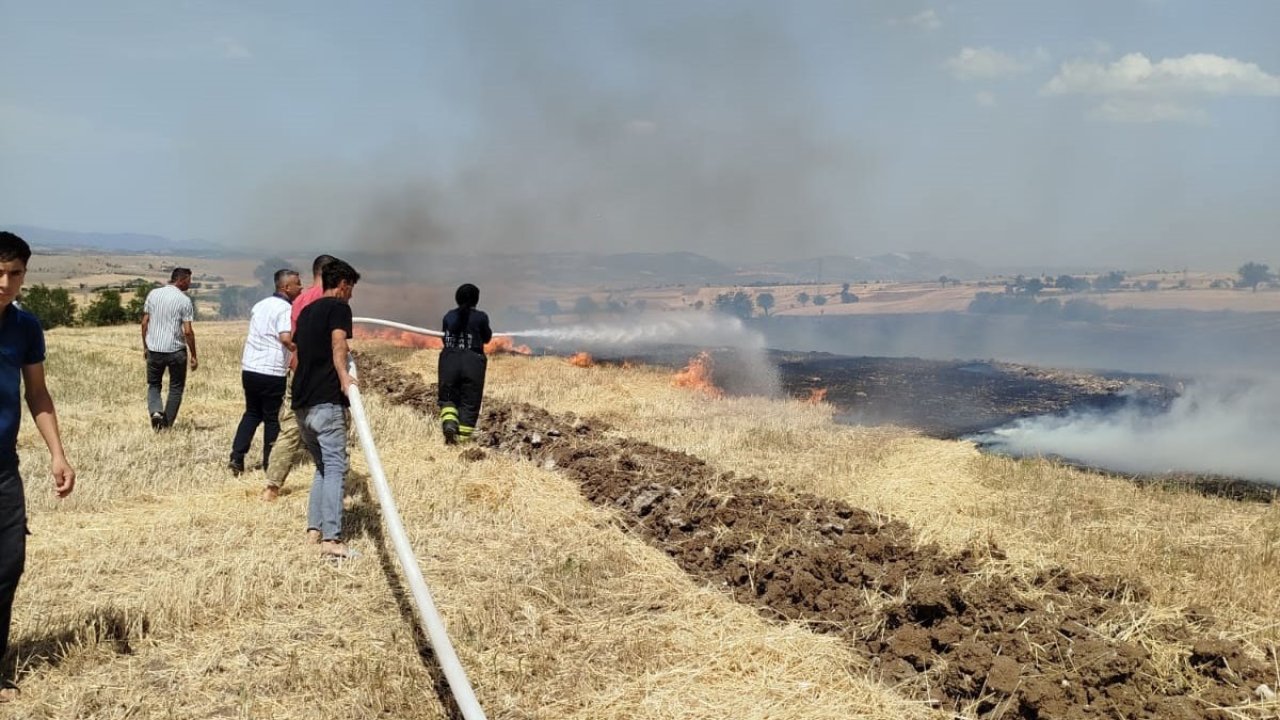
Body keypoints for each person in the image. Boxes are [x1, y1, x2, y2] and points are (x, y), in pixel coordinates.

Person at [0, 231, 75, 703]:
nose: (4, 283)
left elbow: (37, 393)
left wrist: (57, 453)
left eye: (15, 274)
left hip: (4, 466)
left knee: (8, 566)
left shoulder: (26, 327)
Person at [292, 259, 359, 558]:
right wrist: (345, 377)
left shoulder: (305, 311)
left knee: (321, 467)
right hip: (325, 400)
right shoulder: (339, 308)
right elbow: (337, 344)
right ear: (343, 284)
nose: (352, 296)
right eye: (351, 289)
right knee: (335, 468)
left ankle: (313, 530)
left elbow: (300, 352)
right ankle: (332, 540)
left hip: (302, 403)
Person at [261, 254, 337, 502]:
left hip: (298, 370)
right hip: (322, 374)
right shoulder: (330, 299)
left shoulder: (300, 300)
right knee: (333, 428)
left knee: (290, 429)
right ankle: (330, 482)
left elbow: (292, 338)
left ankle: (271, 487)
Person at [229, 269, 302, 475]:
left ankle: (237, 455)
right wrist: (300, 349)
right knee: (272, 418)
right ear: (286, 287)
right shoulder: (285, 309)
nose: (301, 287)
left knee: (252, 413)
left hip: (250, 368)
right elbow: (285, 338)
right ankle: (270, 463)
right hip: (271, 370)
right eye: (298, 283)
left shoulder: (259, 305)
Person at [140, 267, 198, 429]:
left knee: (154, 385)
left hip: (155, 349)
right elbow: (187, 331)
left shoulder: (153, 294)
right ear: (182, 280)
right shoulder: (184, 301)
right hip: (176, 351)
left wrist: (145, 346)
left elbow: (145, 323)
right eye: (189, 280)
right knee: (176, 388)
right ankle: (166, 425)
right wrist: (193, 355)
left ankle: (156, 412)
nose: (190, 284)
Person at [438, 283, 492, 444]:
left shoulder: (448, 316)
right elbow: (487, 338)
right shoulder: (481, 317)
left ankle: (449, 423)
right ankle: (461, 441)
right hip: (473, 363)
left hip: (449, 361)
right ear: (476, 300)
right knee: (469, 402)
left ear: (457, 298)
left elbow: (443, 338)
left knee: (447, 396)